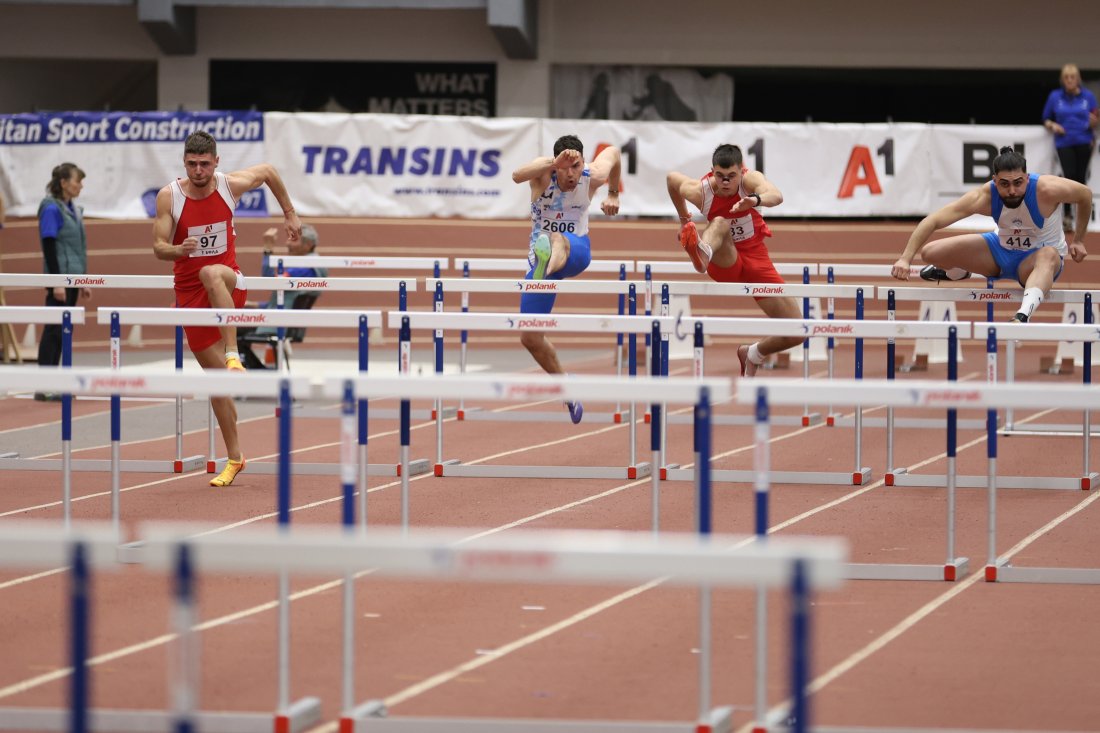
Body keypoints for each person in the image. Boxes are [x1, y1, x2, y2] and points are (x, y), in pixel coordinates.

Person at [152, 130, 301, 486]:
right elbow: (158, 246)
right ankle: (235, 458)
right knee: (218, 384)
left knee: (210, 272)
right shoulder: (169, 197)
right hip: (189, 294)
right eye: (192, 164)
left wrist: (290, 214)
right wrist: (178, 250)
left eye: (205, 163)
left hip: (228, 282)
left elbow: (267, 171)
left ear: (216, 162)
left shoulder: (228, 185)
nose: (199, 170)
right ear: (184, 163)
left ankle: (235, 352)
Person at [891, 146, 1091, 323]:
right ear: (995, 181)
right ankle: (958, 272)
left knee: (1049, 253)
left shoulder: (1048, 189)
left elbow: (1085, 195)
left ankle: (1022, 315)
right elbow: (933, 220)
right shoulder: (984, 197)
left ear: (1027, 178)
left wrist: (1079, 240)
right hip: (1000, 253)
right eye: (1004, 184)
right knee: (930, 252)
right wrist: (905, 258)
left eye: (1018, 183)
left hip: (1036, 262)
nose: (1012, 190)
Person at [667, 143, 804, 378]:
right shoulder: (701, 192)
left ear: (742, 171)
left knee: (798, 331)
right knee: (720, 222)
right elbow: (672, 180)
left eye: (732, 176)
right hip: (724, 260)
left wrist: (756, 200)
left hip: (756, 258)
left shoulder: (750, 181)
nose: (726, 182)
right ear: (712, 172)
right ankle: (701, 253)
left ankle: (752, 354)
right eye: (720, 176)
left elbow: (777, 195)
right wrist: (683, 219)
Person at [511, 134, 621, 423]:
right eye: (565, 168)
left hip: (578, 251)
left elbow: (615, 153)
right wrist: (553, 162)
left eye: (576, 167)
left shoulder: (591, 175)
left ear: (583, 163)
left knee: (558, 238)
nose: (571, 174)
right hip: (541, 258)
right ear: (556, 165)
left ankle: (546, 267)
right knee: (530, 336)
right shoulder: (543, 175)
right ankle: (566, 387)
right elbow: (515, 175)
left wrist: (612, 193)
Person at [36, 163, 91, 399]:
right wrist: (56, 281)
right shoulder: (51, 209)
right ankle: (44, 385)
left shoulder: (74, 209)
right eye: (77, 181)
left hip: (72, 278)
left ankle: (55, 381)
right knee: (53, 331)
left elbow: (78, 247)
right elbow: (48, 245)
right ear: (63, 183)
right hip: (60, 278)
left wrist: (84, 279)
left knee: (63, 331)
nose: (80, 186)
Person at [238, 223, 327, 370]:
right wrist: (256, 305)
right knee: (234, 330)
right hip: (283, 320)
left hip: (279, 323)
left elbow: (270, 282)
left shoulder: (305, 267)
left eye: (293, 239)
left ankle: (258, 377)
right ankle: (258, 375)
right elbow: (286, 300)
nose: (287, 243)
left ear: (308, 244)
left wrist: (268, 248)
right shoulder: (310, 265)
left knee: (228, 328)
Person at [1041, 64, 1099, 232]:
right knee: (1068, 178)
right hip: (1064, 141)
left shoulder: (1088, 96)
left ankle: (1081, 218)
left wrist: (1095, 122)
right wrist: (1053, 125)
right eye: (1066, 77)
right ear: (1062, 80)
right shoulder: (1055, 97)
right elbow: (1045, 118)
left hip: (1084, 140)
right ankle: (1067, 217)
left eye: (1072, 77)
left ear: (1078, 79)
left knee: (1081, 179)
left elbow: (1096, 116)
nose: (1069, 81)